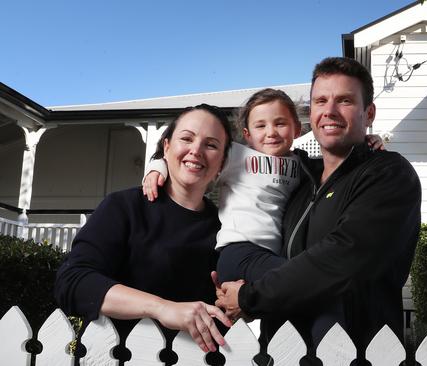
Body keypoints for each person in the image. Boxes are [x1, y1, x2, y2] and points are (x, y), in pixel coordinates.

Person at [216, 57, 422, 362]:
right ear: (311, 113)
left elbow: (343, 258)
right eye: (320, 101)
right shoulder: (297, 178)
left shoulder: (388, 174)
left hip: (357, 353)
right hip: (285, 352)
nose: (330, 111)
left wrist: (249, 297)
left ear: (370, 113)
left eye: (345, 101)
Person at [142, 89, 384, 346]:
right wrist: (156, 170)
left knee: (288, 308)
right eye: (260, 125)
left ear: (297, 129)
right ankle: (335, 354)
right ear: (247, 134)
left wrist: (367, 144)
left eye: (280, 123)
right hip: (239, 252)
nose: (271, 132)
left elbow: (340, 166)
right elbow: (189, 156)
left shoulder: (305, 166)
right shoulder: (234, 156)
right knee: (317, 290)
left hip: (270, 257)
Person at [54, 104, 234, 356]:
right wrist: (162, 308)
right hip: (114, 357)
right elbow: (73, 282)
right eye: (187, 138)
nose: (196, 150)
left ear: (223, 162)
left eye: (211, 145)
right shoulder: (124, 207)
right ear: (167, 147)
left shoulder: (228, 229)